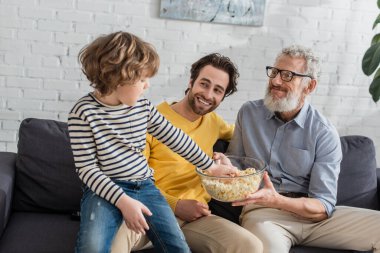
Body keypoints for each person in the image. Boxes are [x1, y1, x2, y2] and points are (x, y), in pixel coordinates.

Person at [67, 31, 237, 253]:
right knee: (92, 247)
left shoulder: (143, 108)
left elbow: (177, 139)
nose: (147, 86)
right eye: (142, 79)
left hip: (145, 187)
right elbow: (87, 169)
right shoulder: (83, 113)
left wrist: (212, 167)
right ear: (117, 77)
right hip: (102, 191)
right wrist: (123, 201)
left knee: (177, 247)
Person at [225, 44, 380, 252]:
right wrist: (225, 167)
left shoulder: (323, 132)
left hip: (315, 219)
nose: (276, 81)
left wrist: (278, 200)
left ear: (309, 86)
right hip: (264, 213)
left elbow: (323, 206)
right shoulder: (249, 113)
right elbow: (234, 162)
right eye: (275, 72)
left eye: (288, 75)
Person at [111, 53, 263, 253]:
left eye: (217, 90)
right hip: (149, 212)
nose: (208, 95)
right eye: (204, 84)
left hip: (196, 220)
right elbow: (132, 183)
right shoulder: (150, 120)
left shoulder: (214, 123)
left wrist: (227, 160)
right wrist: (176, 205)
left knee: (251, 246)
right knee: (112, 240)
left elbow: (245, 133)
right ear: (191, 82)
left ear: (222, 97)